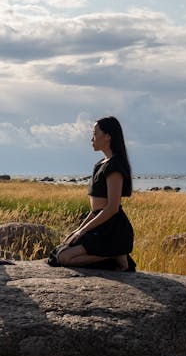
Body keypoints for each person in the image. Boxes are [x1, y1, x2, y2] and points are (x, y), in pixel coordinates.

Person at [49, 116, 136, 271]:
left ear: (108, 136)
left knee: (64, 257)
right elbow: (95, 209)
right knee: (58, 253)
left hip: (112, 229)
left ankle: (115, 254)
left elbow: (112, 208)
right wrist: (77, 230)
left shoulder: (114, 166)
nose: (91, 139)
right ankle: (114, 257)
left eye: (95, 134)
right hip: (98, 225)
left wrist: (83, 231)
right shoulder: (100, 165)